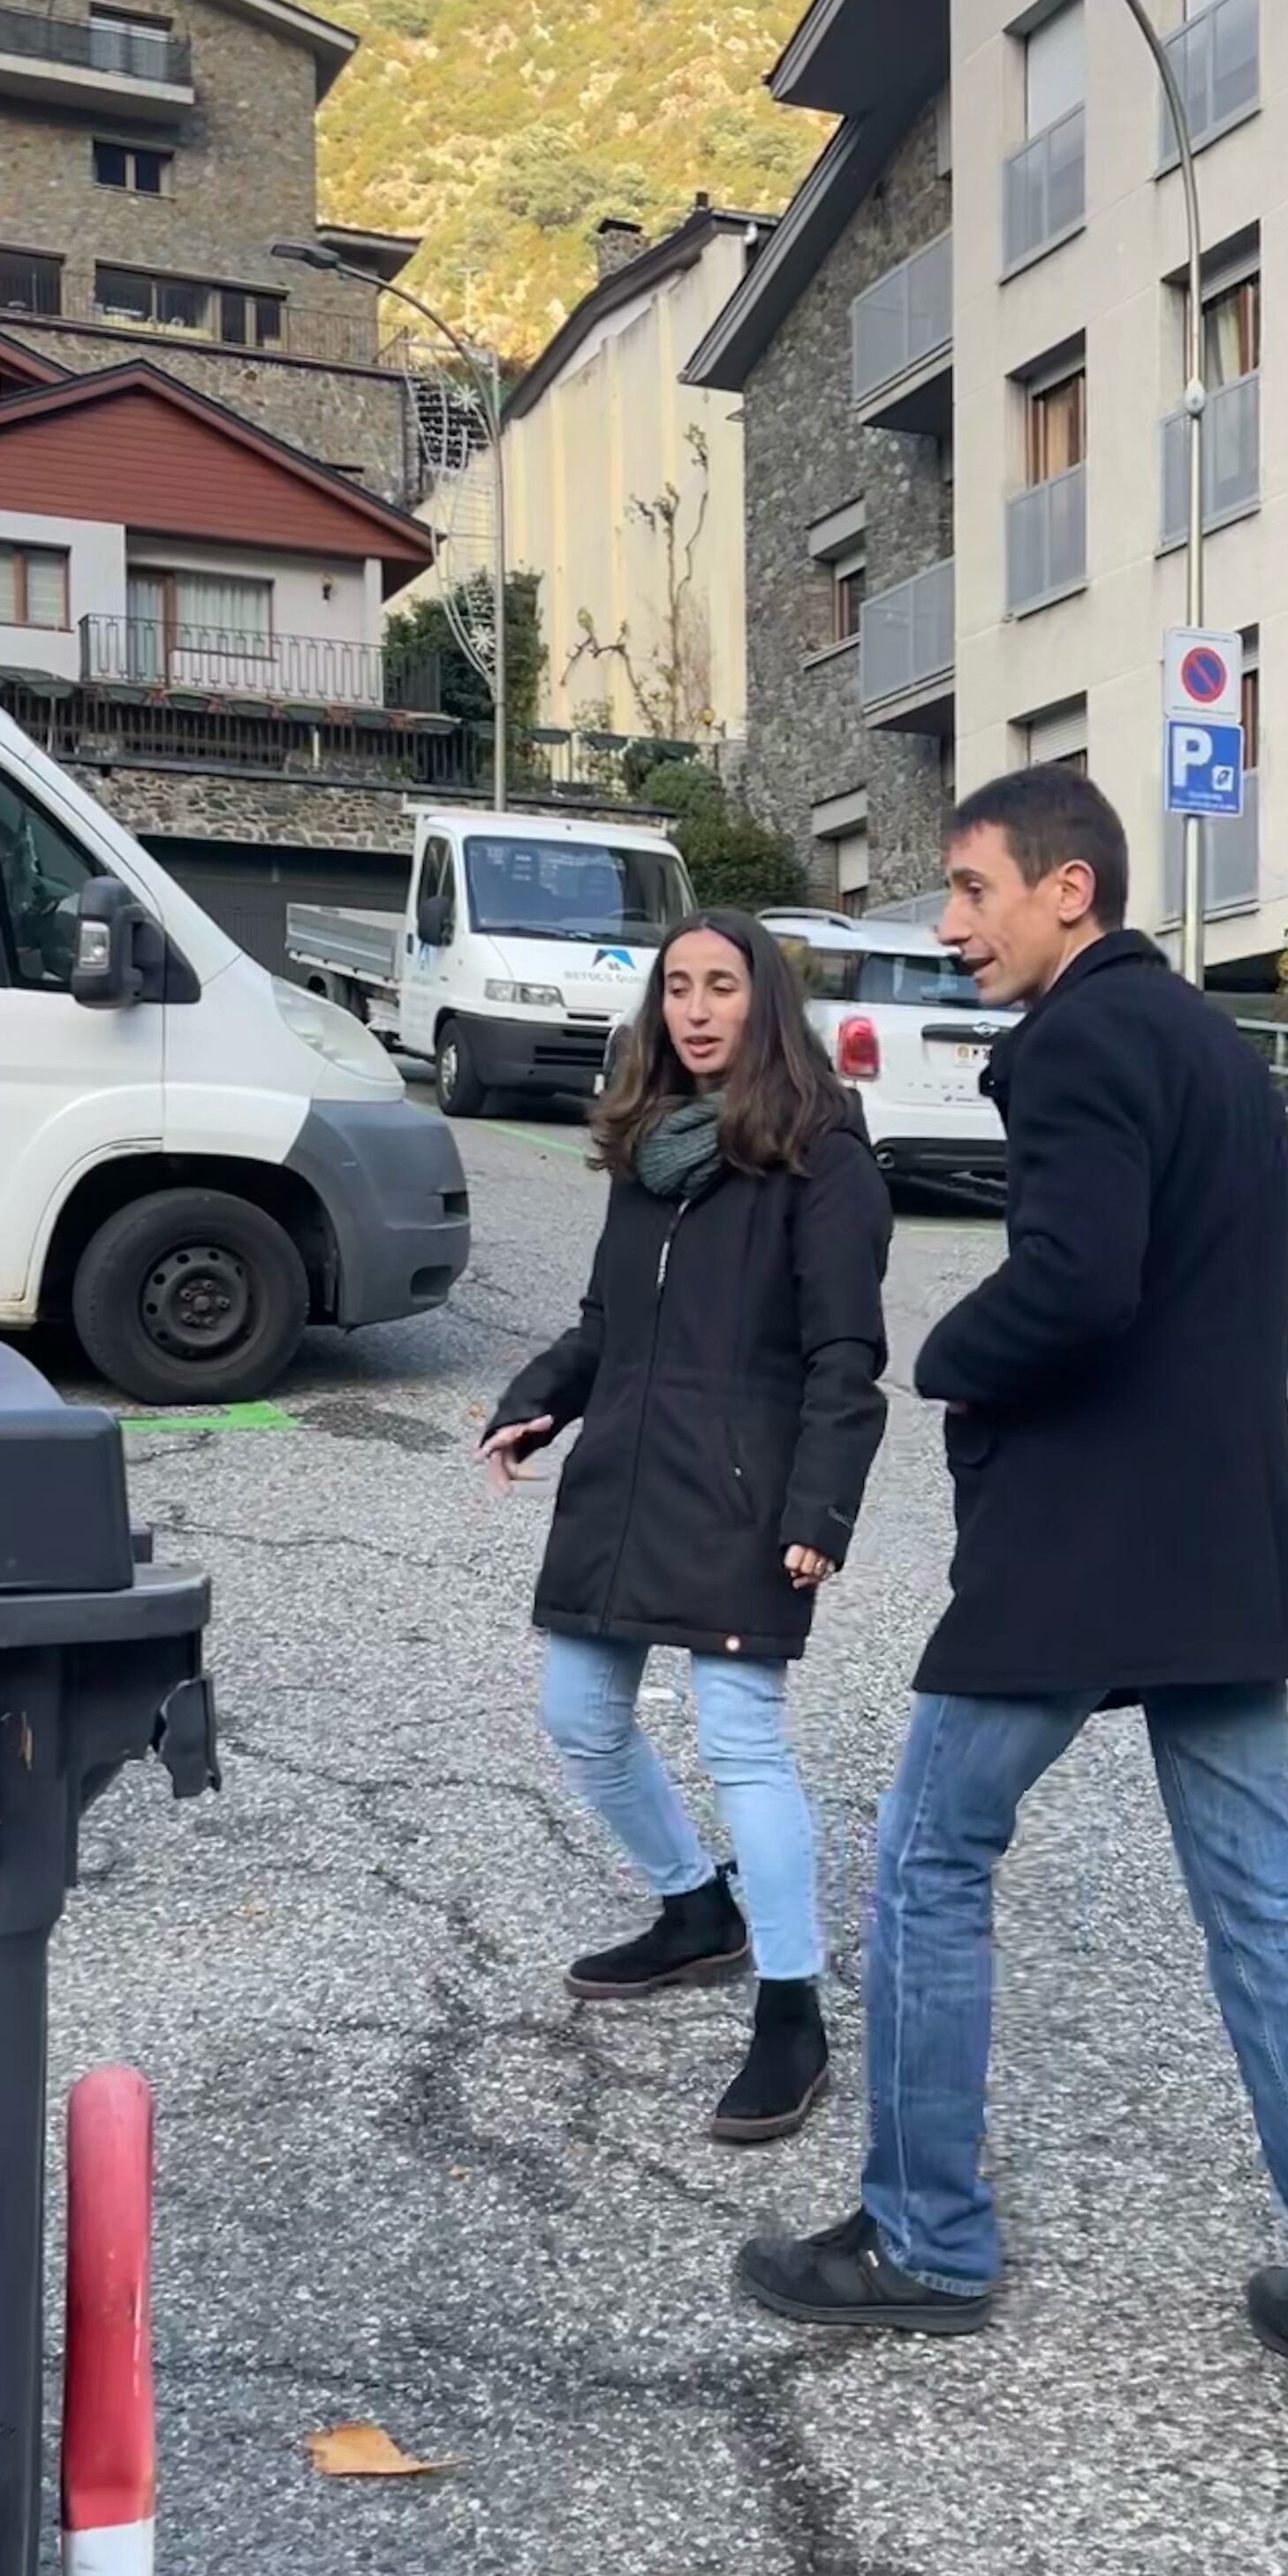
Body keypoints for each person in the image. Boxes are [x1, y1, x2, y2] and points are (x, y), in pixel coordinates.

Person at [735, 769, 1288, 2415]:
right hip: (1220, 1544)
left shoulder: (1083, 1042)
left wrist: (951, 1360)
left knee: (927, 1859)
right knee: (1266, 1916)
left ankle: (924, 2240)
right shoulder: (1214, 1052)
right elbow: (1232, 1308)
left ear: (1070, 895)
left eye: (973, 890)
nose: (950, 925)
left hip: (1086, 1544)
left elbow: (1080, 1284)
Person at [481, 910, 890, 2145]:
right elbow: (609, 1325)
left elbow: (846, 1355)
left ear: (764, 1003)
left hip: (743, 1497)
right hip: (624, 1487)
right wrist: (537, 1403)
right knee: (579, 1718)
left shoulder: (824, 1156)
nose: (698, 1010)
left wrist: (820, 1505)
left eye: (722, 987)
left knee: (743, 1747)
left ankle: (791, 2006)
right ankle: (692, 1906)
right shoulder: (647, 1147)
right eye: (677, 989)